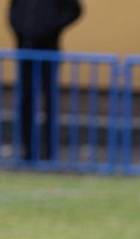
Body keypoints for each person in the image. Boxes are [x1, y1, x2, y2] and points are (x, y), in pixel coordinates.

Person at [8, 0, 82, 162]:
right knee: (26, 102)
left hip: (49, 51)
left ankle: (49, 151)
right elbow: (13, 13)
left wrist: (52, 28)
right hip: (25, 52)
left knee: (49, 102)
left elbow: (75, 11)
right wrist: (20, 33)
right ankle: (27, 151)